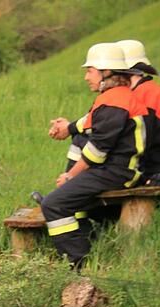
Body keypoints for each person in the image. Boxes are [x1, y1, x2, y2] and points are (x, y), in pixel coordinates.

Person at [39, 43, 147, 267]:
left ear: (106, 72)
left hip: (117, 171)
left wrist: (70, 176)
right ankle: (88, 252)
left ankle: (77, 265)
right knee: (66, 201)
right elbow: (88, 127)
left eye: (90, 71)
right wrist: (67, 128)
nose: (86, 77)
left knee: (53, 204)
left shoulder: (115, 101)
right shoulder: (115, 97)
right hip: (116, 169)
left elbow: (98, 150)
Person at [117, 39, 160, 184]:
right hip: (149, 164)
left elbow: (143, 140)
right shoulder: (139, 91)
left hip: (157, 168)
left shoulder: (145, 93)